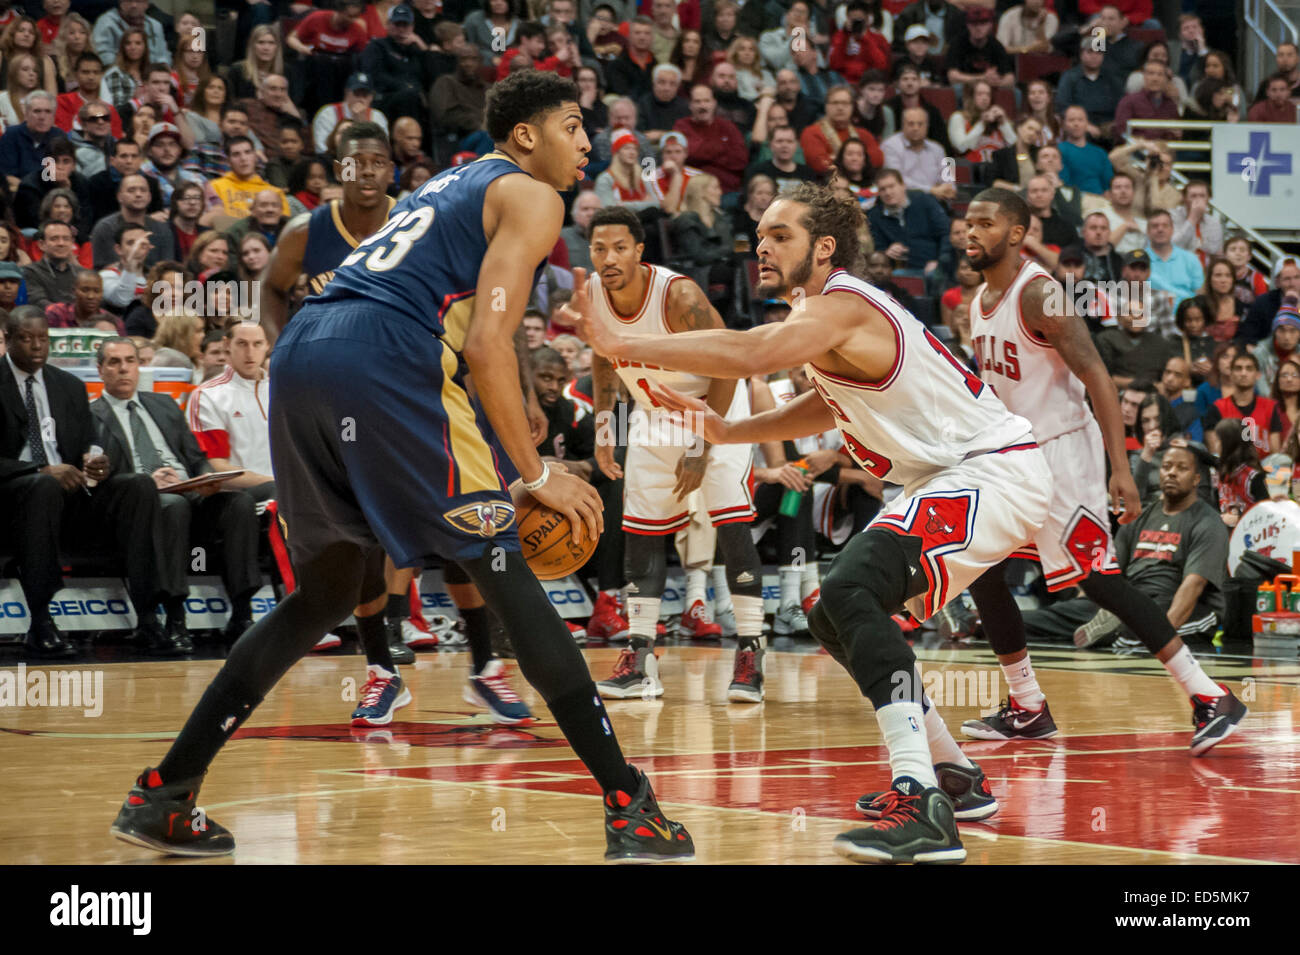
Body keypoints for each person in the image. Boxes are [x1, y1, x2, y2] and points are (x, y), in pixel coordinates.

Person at [109, 74, 694, 862]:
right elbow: (486, 344)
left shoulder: (450, 182)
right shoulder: (530, 195)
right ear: (524, 136)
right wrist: (534, 472)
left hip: (306, 352)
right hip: (385, 355)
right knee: (505, 569)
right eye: (572, 124)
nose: (587, 142)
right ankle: (631, 805)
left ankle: (166, 791)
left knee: (324, 591)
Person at [568, 180, 1053, 865]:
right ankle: (954, 774)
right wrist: (736, 428)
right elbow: (829, 407)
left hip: (992, 470)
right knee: (832, 613)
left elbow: (748, 352)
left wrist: (623, 341)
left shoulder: (841, 305)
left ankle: (922, 804)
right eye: (760, 234)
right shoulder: (822, 316)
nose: (762, 245)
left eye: (781, 235)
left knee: (851, 589)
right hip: (956, 475)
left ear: (824, 247)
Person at [960, 186, 1246, 755]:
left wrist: (1120, 467)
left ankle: (1209, 695)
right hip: (1013, 459)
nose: (970, 232)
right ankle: (1026, 705)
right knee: (981, 569)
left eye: (985, 223)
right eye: (967, 222)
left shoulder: (1041, 294)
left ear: (1017, 234)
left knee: (1099, 581)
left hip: (1065, 456)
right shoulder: (977, 303)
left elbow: (1098, 377)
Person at [579, 205, 766, 699]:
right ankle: (640, 659)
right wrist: (606, 430)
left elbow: (730, 362)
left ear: (639, 251)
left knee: (730, 523)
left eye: (619, 247)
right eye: (599, 248)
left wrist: (705, 444)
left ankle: (751, 652)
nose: (608, 257)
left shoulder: (678, 295)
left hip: (715, 407)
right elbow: (603, 364)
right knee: (641, 530)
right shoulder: (593, 294)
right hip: (654, 414)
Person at [0, 307, 161, 659]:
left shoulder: (69, 386)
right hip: (13, 498)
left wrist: (95, 459)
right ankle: (40, 620)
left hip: (70, 491)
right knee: (42, 488)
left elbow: (87, 443)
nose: (37, 346)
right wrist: (38, 470)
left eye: (43, 338)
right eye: (26, 339)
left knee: (138, 486)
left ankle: (149, 615)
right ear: (8, 339)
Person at [91, 336, 262, 649]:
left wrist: (205, 479)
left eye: (130, 361)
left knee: (239, 503)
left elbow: (195, 458)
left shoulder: (164, 404)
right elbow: (102, 477)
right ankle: (175, 616)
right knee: (171, 505)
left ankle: (242, 612)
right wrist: (147, 480)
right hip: (143, 504)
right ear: (100, 369)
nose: (124, 369)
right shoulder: (91, 415)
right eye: (114, 362)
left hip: (188, 491)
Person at [1026, 444, 1230, 657]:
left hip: (1174, 601)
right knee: (1047, 618)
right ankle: (989, 625)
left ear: (1197, 479)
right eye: (1167, 466)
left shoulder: (1208, 522)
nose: (1171, 472)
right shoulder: (1142, 515)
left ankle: (1115, 635)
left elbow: (1193, 586)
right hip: (1129, 598)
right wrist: (1082, 602)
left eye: (1181, 468)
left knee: (1133, 634)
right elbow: (1109, 570)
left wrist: (1164, 640)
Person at [865, 167, 948, 277]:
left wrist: (939, 262)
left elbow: (946, 233)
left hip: (932, 264)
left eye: (891, 186)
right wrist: (886, 251)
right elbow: (877, 247)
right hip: (898, 269)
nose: (888, 192)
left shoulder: (924, 201)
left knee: (936, 275)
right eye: (882, 189)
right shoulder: (874, 215)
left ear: (903, 186)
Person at [1204, 351, 1275, 458]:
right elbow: (1215, 451)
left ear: (1258, 375)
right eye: (1238, 368)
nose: (1243, 373)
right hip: (1230, 466)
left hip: (1266, 468)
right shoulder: (1217, 408)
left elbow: (1275, 451)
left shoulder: (1271, 407)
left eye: (1249, 369)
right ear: (1231, 374)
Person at [1212, 418, 1268, 528]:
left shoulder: (1253, 477)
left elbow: (1266, 514)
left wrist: (1239, 518)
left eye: (1217, 441)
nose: (1215, 445)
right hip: (1226, 532)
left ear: (1229, 443)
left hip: (1250, 534)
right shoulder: (1221, 469)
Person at [1254, 295, 1300, 400]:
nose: (1287, 337)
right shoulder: (1259, 353)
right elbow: (1262, 391)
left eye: (1292, 331)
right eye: (1282, 330)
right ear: (1275, 332)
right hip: (1269, 406)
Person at [1171, 179, 1222, 267]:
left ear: (1208, 198)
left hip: (1204, 270)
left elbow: (1213, 250)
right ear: (1184, 198)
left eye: (1202, 196)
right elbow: (1175, 245)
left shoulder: (1214, 223)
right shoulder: (1172, 216)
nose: (1198, 200)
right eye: (1193, 196)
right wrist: (1192, 218)